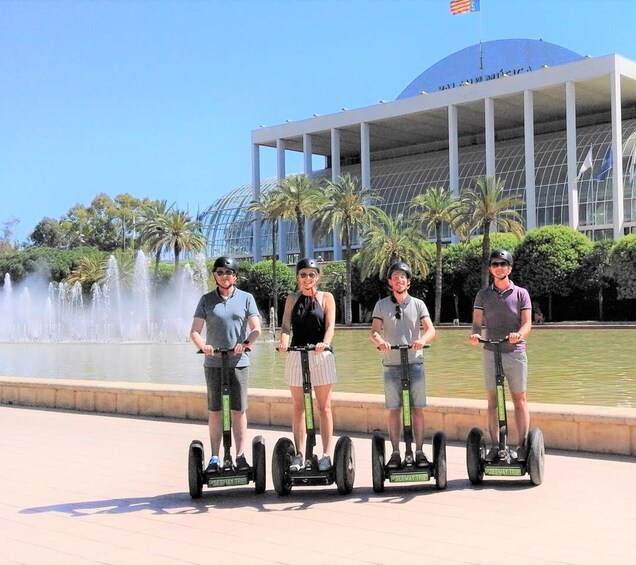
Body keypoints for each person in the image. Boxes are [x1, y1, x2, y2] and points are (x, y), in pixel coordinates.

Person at [190, 256, 262, 472]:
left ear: (235, 276)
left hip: (238, 361)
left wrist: (246, 343)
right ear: (215, 275)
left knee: (239, 409)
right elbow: (194, 331)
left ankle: (240, 455)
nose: (224, 276)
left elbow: (256, 328)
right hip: (213, 362)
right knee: (215, 409)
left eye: (228, 273)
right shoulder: (206, 300)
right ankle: (214, 457)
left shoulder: (246, 298)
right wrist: (204, 346)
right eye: (220, 272)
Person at [369, 261, 436, 469]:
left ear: (409, 282)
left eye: (403, 277)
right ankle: (396, 453)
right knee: (393, 410)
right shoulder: (381, 305)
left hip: (415, 363)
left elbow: (430, 329)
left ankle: (419, 451)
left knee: (417, 409)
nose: (399, 280)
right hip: (392, 365)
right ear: (390, 282)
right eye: (395, 277)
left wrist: (422, 340)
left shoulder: (418, 304)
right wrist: (381, 342)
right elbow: (374, 331)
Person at [468, 248, 532, 461]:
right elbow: (477, 323)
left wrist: (518, 335)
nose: (499, 267)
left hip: (514, 351)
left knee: (519, 399)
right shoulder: (483, 295)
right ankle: (496, 445)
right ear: (490, 269)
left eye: (503, 264)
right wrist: (475, 336)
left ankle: (523, 445)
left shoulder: (521, 293)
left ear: (510, 268)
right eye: (495, 264)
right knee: (492, 401)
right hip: (491, 350)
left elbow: (527, 324)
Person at [278, 257, 337, 472]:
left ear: (318, 277)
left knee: (324, 407)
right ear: (298, 278)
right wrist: (283, 342)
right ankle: (300, 454)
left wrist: (325, 343)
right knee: (298, 408)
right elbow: (285, 327)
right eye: (303, 275)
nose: (307, 278)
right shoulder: (292, 299)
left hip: (321, 355)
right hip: (297, 353)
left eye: (312, 274)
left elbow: (330, 326)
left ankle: (326, 454)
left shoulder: (326, 298)